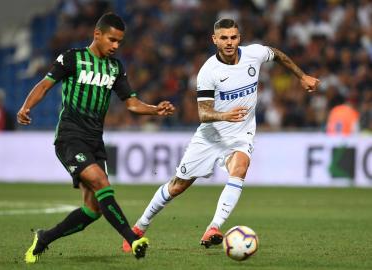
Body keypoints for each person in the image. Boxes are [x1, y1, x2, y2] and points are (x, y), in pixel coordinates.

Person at [122, 18, 319, 252]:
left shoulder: (254, 54)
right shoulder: (208, 71)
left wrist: (302, 76)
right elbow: (203, 113)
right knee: (177, 186)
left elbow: (276, 54)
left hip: (240, 135)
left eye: (233, 37)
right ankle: (139, 226)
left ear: (239, 38)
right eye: (224, 38)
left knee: (241, 167)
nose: (229, 42)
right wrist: (225, 116)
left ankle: (213, 227)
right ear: (214, 40)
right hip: (210, 137)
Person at [17, 13, 175, 263]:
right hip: (70, 137)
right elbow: (45, 85)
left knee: (92, 210)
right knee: (101, 181)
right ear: (97, 34)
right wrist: (26, 107)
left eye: (119, 42)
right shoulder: (72, 58)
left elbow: (132, 104)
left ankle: (44, 237)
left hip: (94, 141)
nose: (115, 46)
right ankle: (133, 240)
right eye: (112, 40)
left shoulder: (115, 68)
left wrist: (155, 109)